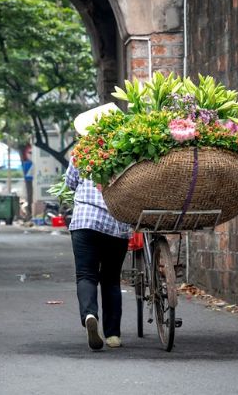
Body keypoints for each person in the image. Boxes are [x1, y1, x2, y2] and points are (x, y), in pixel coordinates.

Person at [65, 103, 131, 350]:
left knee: (86, 275)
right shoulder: (127, 151)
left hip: (84, 221)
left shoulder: (81, 152)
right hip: (117, 222)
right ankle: (113, 335)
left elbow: (71, 182)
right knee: (111, 279)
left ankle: (89, 315)